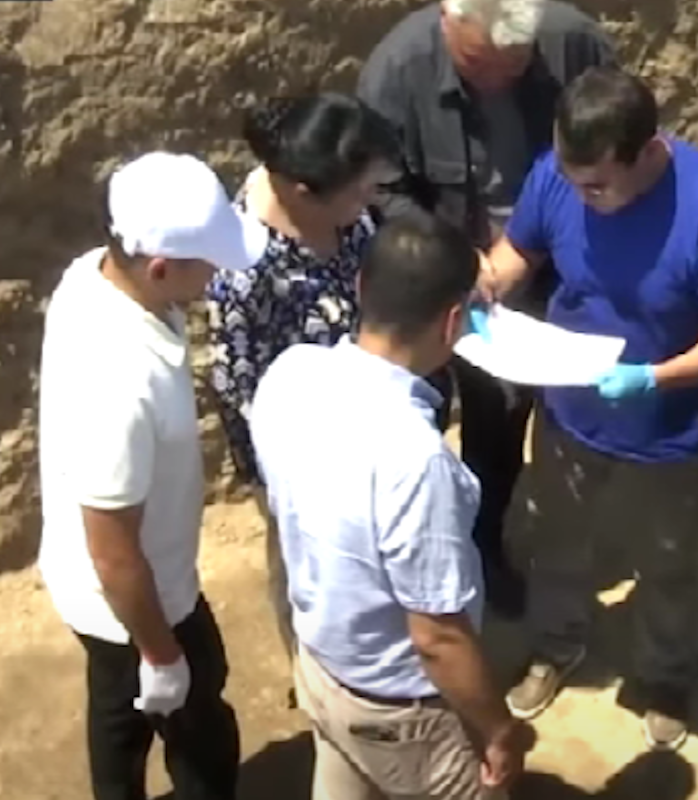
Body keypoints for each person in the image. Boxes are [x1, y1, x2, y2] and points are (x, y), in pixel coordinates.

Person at [480, 66, 698, 749]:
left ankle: (664, 680)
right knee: (559, 541)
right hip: (569, 413)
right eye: (571, 180)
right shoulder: (561, 172)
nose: (580, 195)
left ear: (649, 152)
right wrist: (488, 285)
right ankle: (557, 644)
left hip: (666, 434)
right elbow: (522, 246)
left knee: (667, 567)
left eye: (597, 187)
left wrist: (653, 378)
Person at [249, 210, 536, 800]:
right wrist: (498, 731)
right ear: (453, 322)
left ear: (361, 287)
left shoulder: (289, 373)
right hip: (403, 715)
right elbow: (438, 638)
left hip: (322, 669)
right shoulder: (417, 459)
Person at [358, 0, 616, 616]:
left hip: (562, 260)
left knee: (564, 402)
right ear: (448, 21)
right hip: (459, 277)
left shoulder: (576, 45)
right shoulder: (397, 72)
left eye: (514, 66)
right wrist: (455, 256)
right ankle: (469, 545)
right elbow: (385, 188)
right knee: (473, 416)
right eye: (481, 65)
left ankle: (548, 535)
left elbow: (612, 137)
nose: (498, 80)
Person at [38, 152, 267, 800]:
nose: (218, 275)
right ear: (161, 268)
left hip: (100, 591)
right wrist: (163, 654)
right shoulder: (121, 381)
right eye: (209, 264)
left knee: (118, 710)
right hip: (136, 599)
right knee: (199, 729)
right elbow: (114, 553)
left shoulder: (91, 274)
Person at [205, 93, 399, 677]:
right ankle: (316, 670)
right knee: (307, 563)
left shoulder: (344, 213)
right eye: (360, 193)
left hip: (365, 423)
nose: (369, 203)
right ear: (302, 192)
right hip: (301, 455)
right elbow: (242, 392)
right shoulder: (243, 270)